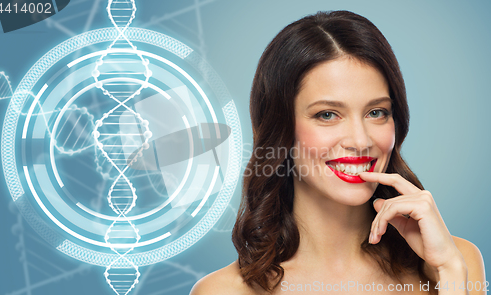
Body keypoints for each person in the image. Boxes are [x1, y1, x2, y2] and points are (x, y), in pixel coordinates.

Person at [191, 10, 485, 294]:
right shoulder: (223, 291)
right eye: (328, 115)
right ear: (281, 129)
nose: (360, 140)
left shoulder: (455, 263)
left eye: (376, 112)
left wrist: (449, 271)